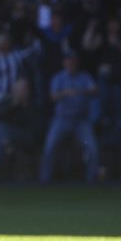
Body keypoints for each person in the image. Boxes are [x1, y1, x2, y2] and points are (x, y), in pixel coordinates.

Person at [39, 50, 99, 183]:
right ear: (64, 63)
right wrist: (66, 93)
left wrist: (80, 91)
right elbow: (53, 96)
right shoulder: (59, 77)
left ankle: (92, 181)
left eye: (73, 60)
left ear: (76, 62)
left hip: (81, 120)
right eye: (68, 60)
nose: (71, 63)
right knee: (49, 147)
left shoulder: (84, 77)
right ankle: (44, 180)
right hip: (62, 119)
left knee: (92, 149)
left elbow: (95, 90)